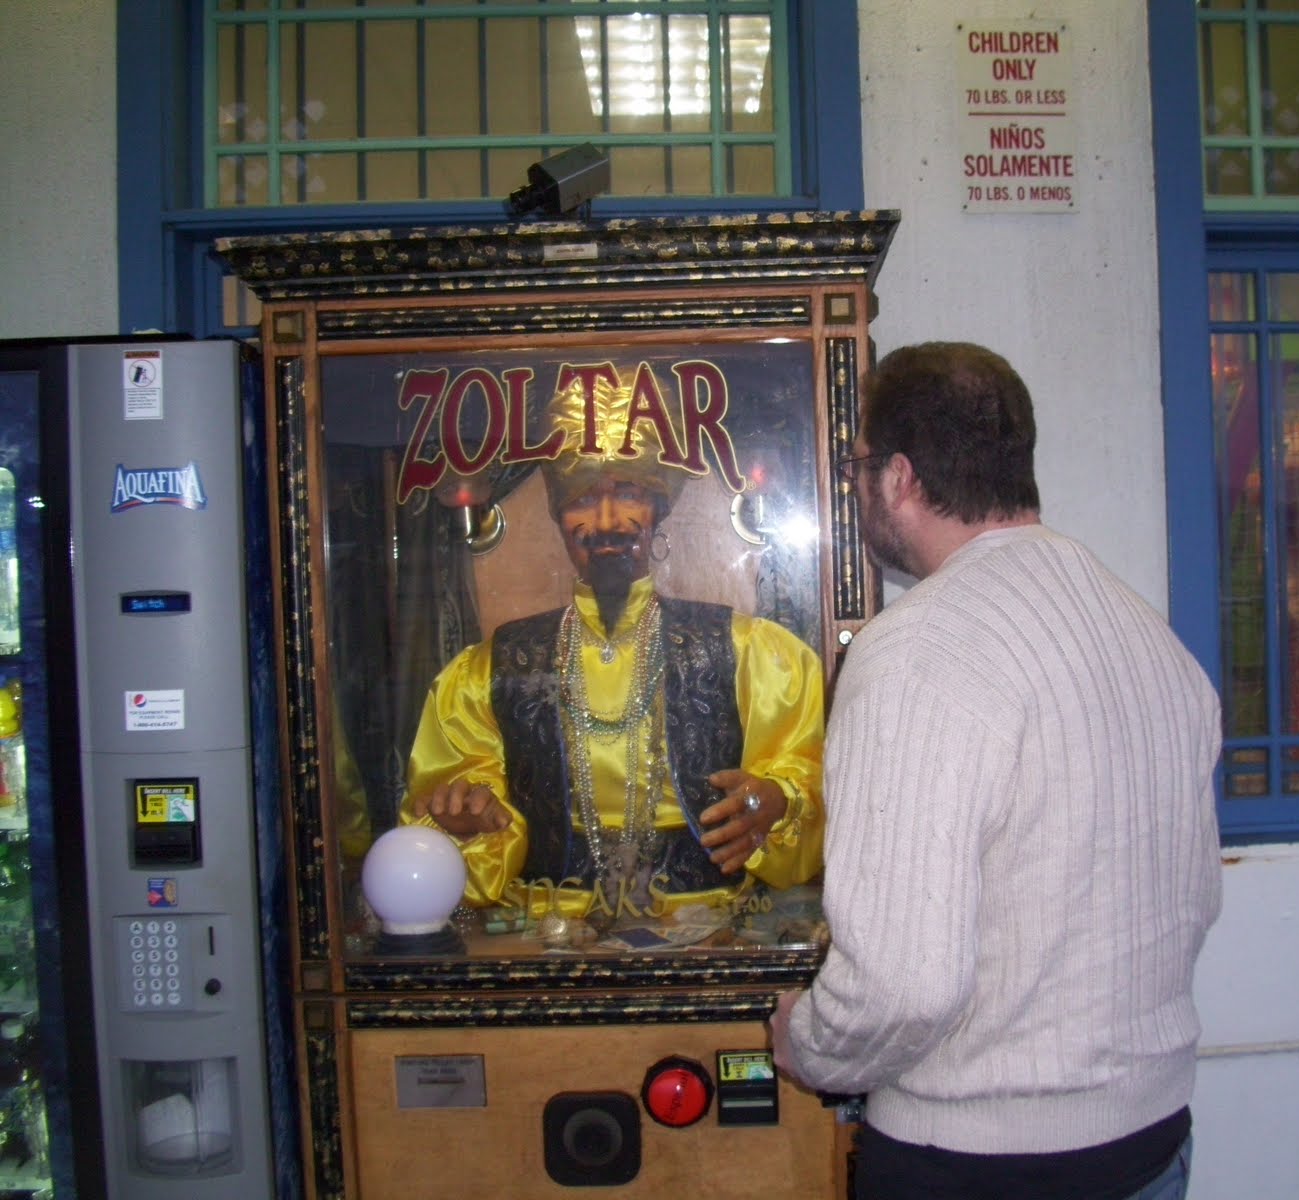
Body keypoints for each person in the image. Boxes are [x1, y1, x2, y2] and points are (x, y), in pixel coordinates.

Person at [768, 342, 1222, 1199]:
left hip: (983, 1162)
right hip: (1153, 1138)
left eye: (862, 466)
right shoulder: (1145, 632)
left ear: (899, 476)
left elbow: (902, 986)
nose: (861, 487)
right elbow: (1193, 901)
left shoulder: (915, 652)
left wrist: (813, 1047)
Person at [400, 375, 825, 921]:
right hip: (545, 930)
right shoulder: (491, 672)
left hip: (706, 930)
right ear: (557, 518)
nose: (606, 523)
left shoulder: (751, 655)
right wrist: (468, 816)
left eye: (626, 494)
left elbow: (809, 777)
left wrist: (778, 800)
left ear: (658, 509)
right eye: (582, 500)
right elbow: (451, 805)